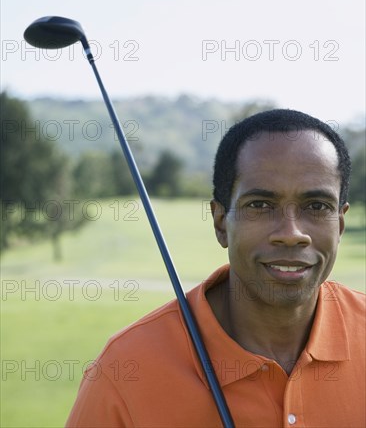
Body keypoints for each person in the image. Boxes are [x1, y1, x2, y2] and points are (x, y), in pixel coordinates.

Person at [66, 109, 365, 428]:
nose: (291, 233)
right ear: (221, 222)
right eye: (260, 205)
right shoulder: (124, 369)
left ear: (340, 223)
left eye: (317, 207)